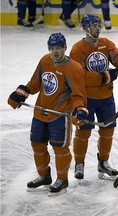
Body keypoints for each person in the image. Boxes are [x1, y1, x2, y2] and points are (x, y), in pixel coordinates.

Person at [7, 33, 88, 196]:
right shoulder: (45, 61)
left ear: (65, 47)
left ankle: (62, 179)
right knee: (37, 145)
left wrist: (79, 109)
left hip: (59, 115)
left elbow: (78, 95)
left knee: (60, 149)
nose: (55, 52)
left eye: (58, 48)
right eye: (52, 48)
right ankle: (44, 176)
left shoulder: (74, 68)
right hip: (40, 112)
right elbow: (35, 83)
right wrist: (22, 92)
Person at [69, 14, 118, 181]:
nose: (98, 28)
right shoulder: (78, 49)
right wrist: (103, 78)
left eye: (99, 25)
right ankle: (79, 163)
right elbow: (78, 75)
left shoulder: (106, 44)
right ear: (85, 28)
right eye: (94, 25)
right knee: (83, 132)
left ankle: (103, 163)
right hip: (86, 99)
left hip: (106, 98)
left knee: (108, 132)